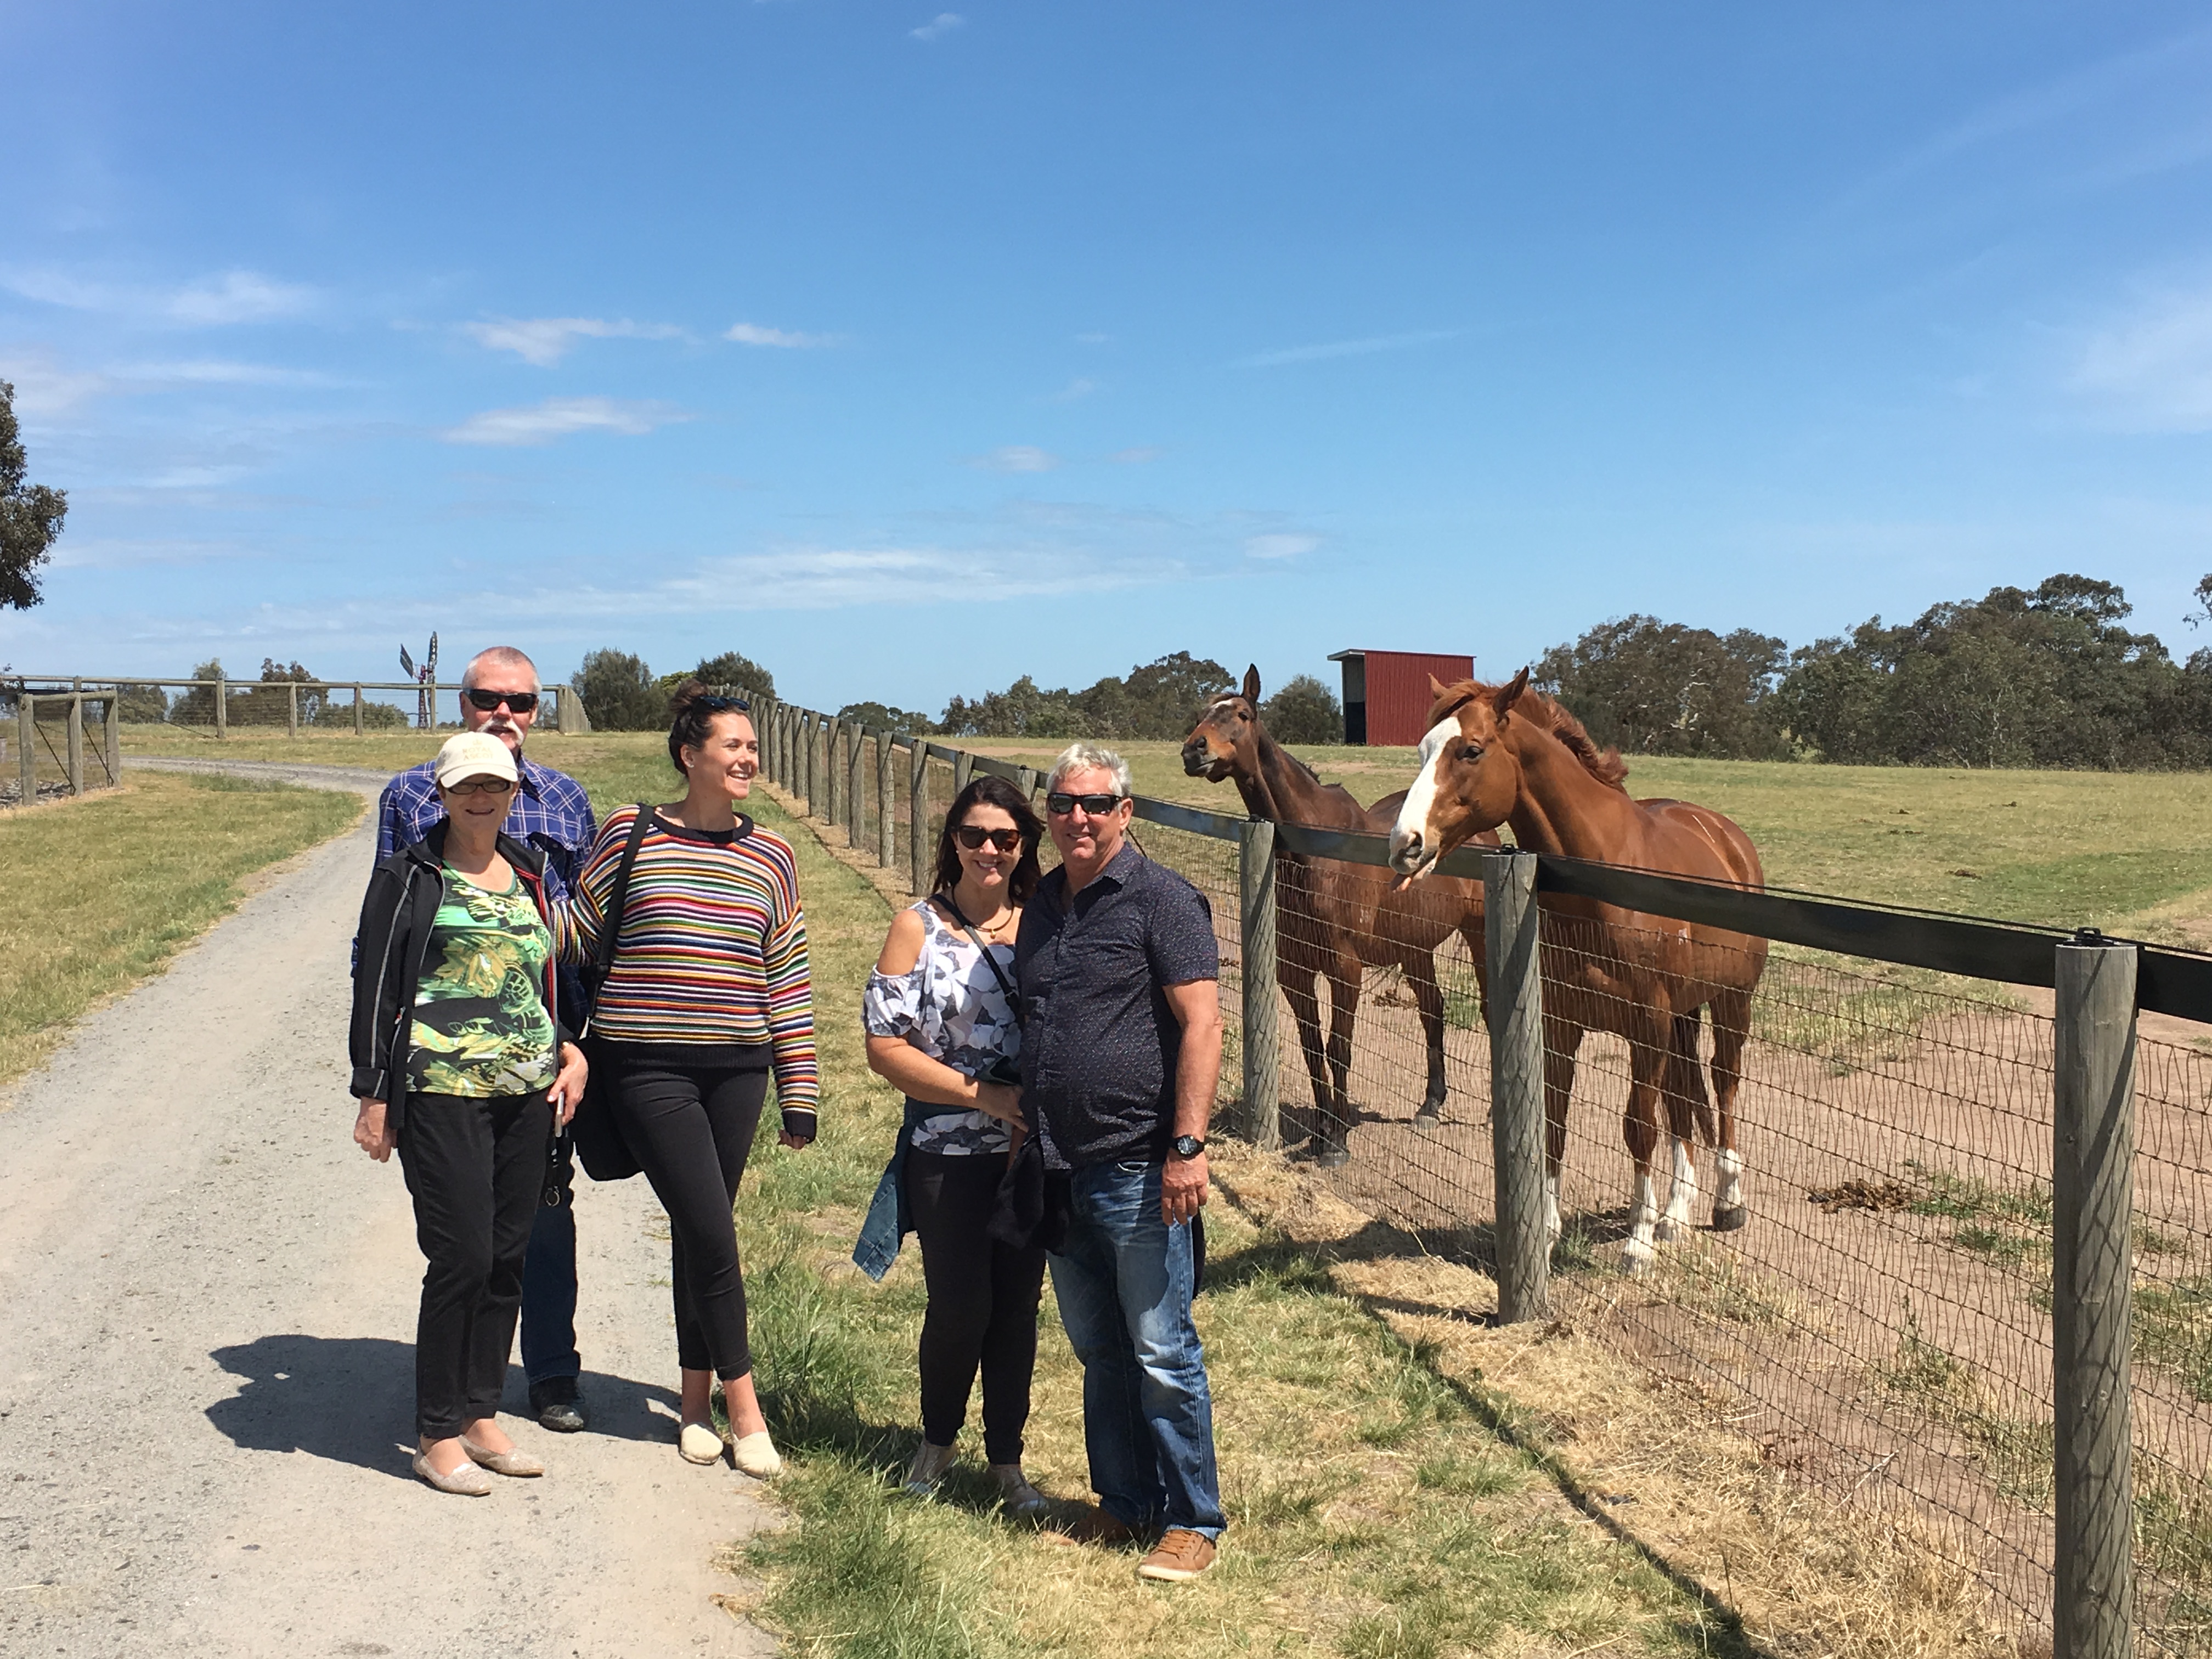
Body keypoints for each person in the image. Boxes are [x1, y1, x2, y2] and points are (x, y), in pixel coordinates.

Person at [552, 683, 814, 1479]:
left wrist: (798, 1091)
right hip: (646, 1064)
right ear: (688, 755)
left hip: (740, 1067)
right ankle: (748, 1410)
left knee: (704, 1231)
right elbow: (574, 934)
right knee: (711, 1228)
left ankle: (692, 1401)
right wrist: (503, 881)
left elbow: (788, 975)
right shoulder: (629, 833)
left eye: (751, 748)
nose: (747, 760)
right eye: (732, 746)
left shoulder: (772, 855)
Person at [350, 731, 590, 1496]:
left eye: (495, 786)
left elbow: (541, 975)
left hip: (525, 1090)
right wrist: (374, 1092)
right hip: (442, 1091)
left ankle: (483, 1414)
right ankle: (435, 1432)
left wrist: (569, 1048)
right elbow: (377, 985)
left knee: (508, 1253)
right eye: (465, 788)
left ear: (514, 794)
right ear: (443, 795)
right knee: (460, 1256)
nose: (481, 798)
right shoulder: (411, 873)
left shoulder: (530, 871)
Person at [1014, 742, 1226, 1581]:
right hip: (1058, 1165)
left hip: (1142, 1165)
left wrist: (1187, 1147)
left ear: (1126, 812)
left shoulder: (1162, 900)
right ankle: (1123, 1503)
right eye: (1065, 803)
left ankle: (1193, 1519)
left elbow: (1203, 1026)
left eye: (1098, 804)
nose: (1080, 819)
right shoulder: (1045, 906)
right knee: (1100, 1350)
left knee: (1162, 1348)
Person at [855, 775, 1049, 1519]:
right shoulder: (917, 928)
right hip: (946, 1150)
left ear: (1022, 845)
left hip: (1024, 1155)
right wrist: (984, 1096)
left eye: (1005, 838)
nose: (990, 851)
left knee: (1016, 1311)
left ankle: (1008, 1463)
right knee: (960, 1305)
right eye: (975, 837)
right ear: (954, 843)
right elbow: (882, 1046)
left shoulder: (1042, 924)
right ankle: (935, 1444)